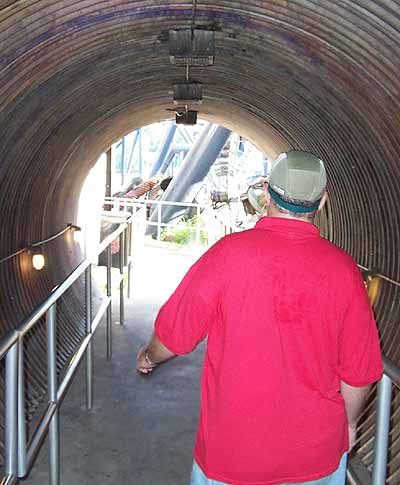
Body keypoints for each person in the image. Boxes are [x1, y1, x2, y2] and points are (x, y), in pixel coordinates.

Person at [136, 151, 383, 485]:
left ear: (266, 193)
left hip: (232, 458)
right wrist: (350, 424)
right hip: (315, 458)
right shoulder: (344, 271)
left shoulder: (227, 255)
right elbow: (358, 373)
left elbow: (174, 336)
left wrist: (149, 356)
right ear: (322, 202)